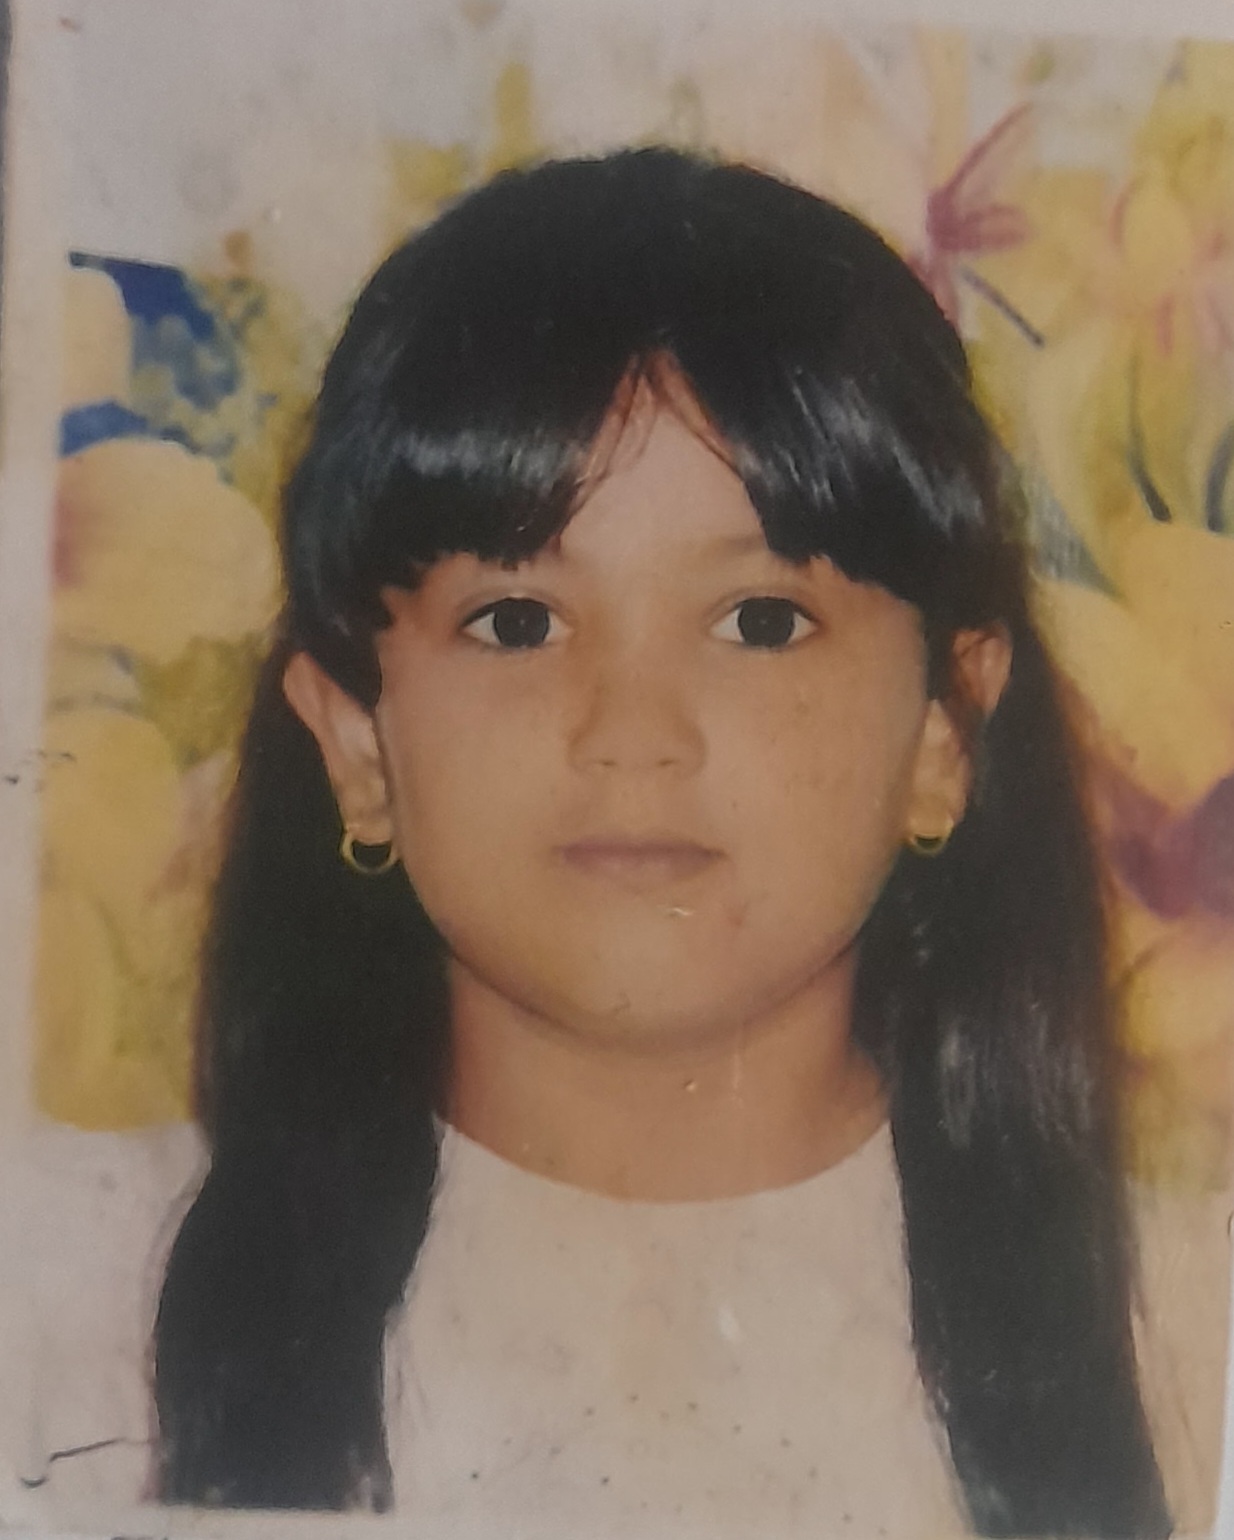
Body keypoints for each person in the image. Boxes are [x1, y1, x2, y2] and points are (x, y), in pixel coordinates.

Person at [34, 147, 1222, 1536]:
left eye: (760, 621)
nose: (632, 733)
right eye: (517, 622)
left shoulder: (1190, 1333)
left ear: (942, 738)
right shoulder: (67, 1302)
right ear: (358, 745)